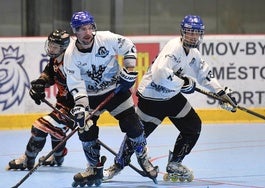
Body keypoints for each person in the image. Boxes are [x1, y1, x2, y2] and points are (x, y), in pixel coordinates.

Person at [104, 14, 237, 182]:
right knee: (137, 136)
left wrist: (221, 93)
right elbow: (160, 75)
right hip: (152, 98)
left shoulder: (193, 53)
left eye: (196, 33)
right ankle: (117, 165)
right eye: (189, 32)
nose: (193, 36)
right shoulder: (173, 47)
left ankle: (175, 163)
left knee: (193, 126)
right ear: (182, 32)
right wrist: (183, 84)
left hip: (171, 97)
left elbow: (204, 74)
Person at [63, 10, 158, 186]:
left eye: (90, 27)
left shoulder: (106, 38)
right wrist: (81, 108)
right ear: (75, 32)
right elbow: (76, 85)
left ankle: (143, 158)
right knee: (86, 130)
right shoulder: (70, 55)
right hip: (90, 97)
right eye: (82, 29)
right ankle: (93, 167)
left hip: (115, 89)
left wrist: (129, 69)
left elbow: (128, 45)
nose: (87, 32)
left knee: (134, 126)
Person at [7, 29, 74, 170]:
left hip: (75, 108)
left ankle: (27, 159)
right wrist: (41, 83)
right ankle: (58, 156)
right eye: (50, 45)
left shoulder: (72, 63)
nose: (51, 48)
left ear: (64, 48)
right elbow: (49, 73)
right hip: (63, 105)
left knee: (40, 126)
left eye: (55, 47)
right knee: (56, 129)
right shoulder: (56, 58)